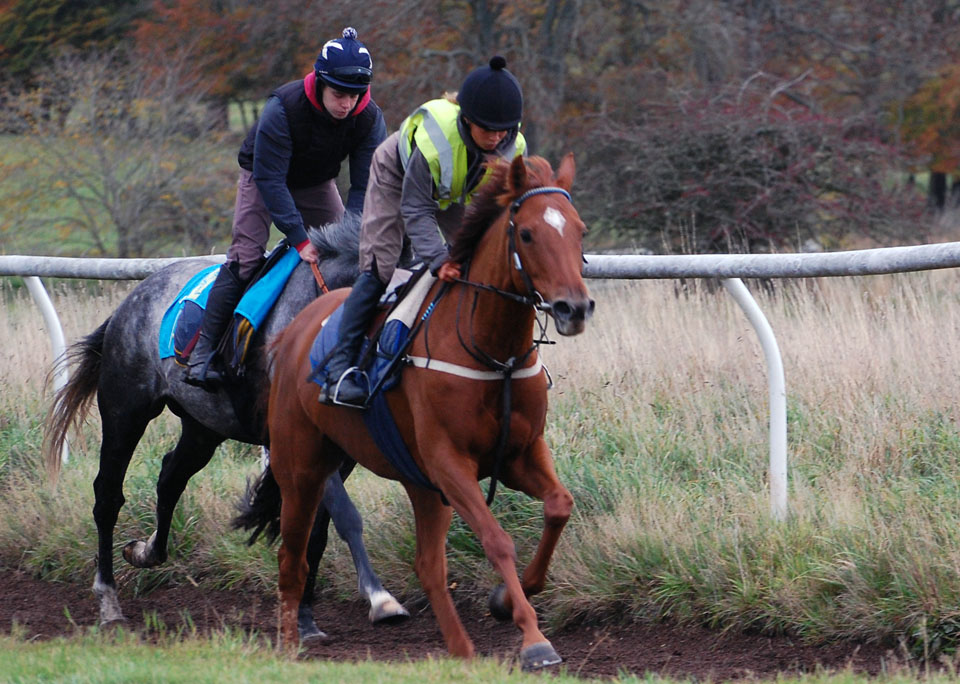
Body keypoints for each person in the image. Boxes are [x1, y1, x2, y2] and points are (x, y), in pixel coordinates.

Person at [186, 27, 387, 389]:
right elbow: (271, 181)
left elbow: (363, 186)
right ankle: (203, 353)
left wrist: (353, 234)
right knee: (246, 258)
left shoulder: (369, 117)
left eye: (355, 96)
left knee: (348, 256)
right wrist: (298, 238)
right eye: (339, 94)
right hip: (263, 178)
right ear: (320, 83)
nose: (346, 104)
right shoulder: (283, 107)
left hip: (316, 183)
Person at [322, 55, 526, 406]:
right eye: (487, 129)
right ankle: (339, 370)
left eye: (502, 130)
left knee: (480, 259)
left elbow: (496, 212)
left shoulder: (514, 146)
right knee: (380, 267)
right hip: (398, 177)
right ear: (466, 119)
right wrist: (439, 258)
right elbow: (416, 208)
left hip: (455, 188)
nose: (496, 138)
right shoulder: (437, 142)